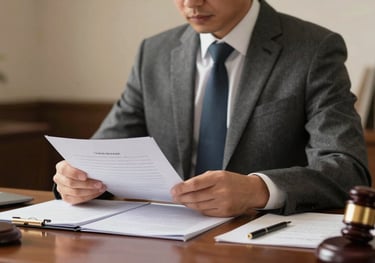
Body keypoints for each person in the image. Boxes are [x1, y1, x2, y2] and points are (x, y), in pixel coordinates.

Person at [53, 0, 371, 217]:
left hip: (261, 239)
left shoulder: (313, 49)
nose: (191, 2)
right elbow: (103, 152)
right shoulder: (154, 52)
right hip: (164, 237)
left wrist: (258, 189)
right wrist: (75, 178)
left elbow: (347, 168)